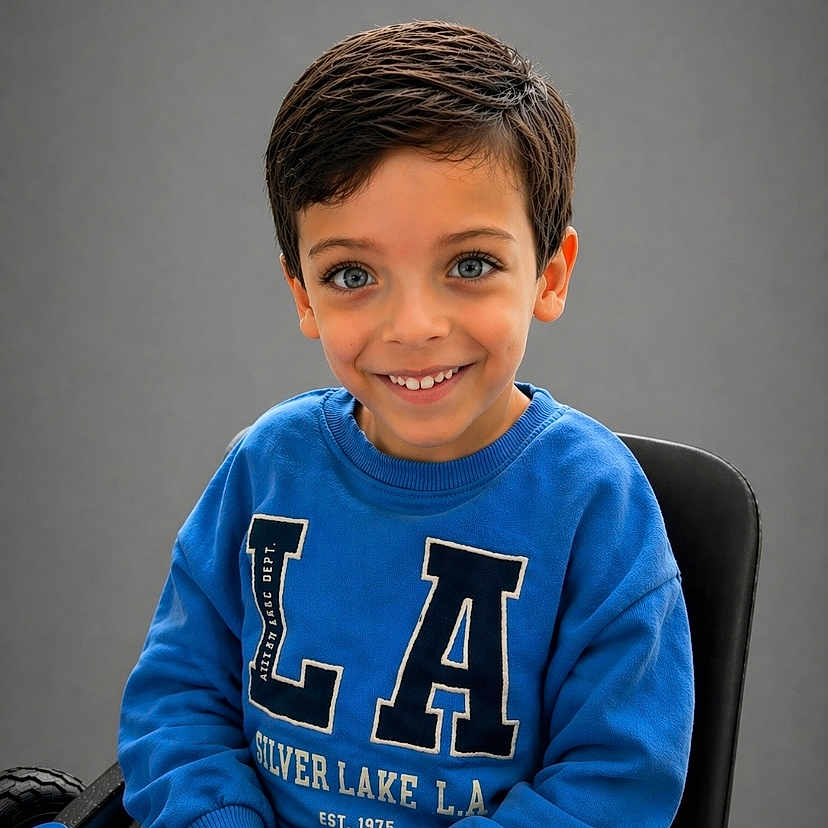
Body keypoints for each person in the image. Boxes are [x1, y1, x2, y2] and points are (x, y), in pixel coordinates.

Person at [118, 19, 693, 828]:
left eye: (470, 265)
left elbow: (614, 781)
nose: (414, 324)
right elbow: (178, 699)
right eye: (352, 274)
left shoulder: (594, 505)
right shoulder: (267, 467)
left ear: (550, 276)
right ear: (301, 295)